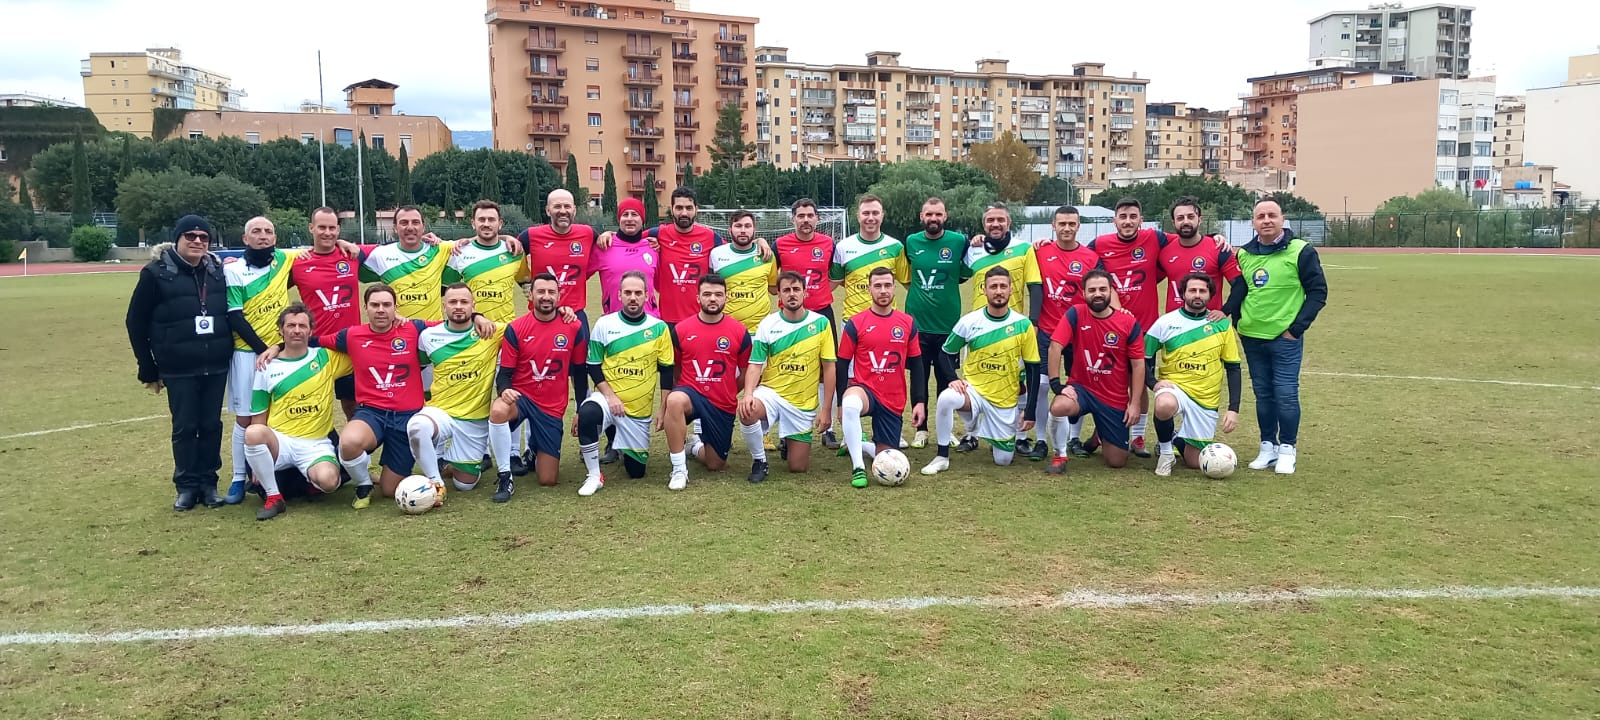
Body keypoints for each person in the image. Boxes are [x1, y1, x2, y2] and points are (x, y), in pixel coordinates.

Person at [125, 215, 240, 510]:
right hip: (178, 366)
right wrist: (147, 367)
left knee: (211, 426)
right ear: (177, 238)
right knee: (185, 427)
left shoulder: (217, 271)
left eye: (204, 237)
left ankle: (208, 483)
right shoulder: (155, 273)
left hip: (215, 363)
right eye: (191, 235)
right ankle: (187, 486)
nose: (198, 241)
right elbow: (135, 322)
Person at [1221, 198, 1328, 475]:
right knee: (1263, 394)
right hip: (1251, 336)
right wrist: (1229, 315)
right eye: (1260, 216)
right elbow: (1240, 290)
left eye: (1272, 215)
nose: (1266, 220)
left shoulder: (1301, 251)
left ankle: (1287, 449)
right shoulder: (1244, 253)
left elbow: (1318, 293)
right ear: (1253, 223)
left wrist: (1296, 329)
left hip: (1285, 338)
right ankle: (1267, 446)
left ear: (1282, 219)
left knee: (1286, 394)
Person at [921, 266, 1041, 475]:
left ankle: (990, 429)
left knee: (1003, 461)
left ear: (1011, 290)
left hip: (1004, 399)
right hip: (974, 392)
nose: (999, 291)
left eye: (1003, 286)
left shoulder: (1022, 325)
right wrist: (952, 378)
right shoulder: (970, 321)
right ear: (984, 290)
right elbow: (945, 353)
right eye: (993, 286)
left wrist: (1029, 410)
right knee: (947, 398)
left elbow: (1033, 369)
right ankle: (942, 456)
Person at [243, 303, 351, 520]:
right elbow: (259, 417)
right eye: (290, 325)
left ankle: (309, 481)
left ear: (311, 331)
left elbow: (363, 349)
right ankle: (274, 498)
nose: (296, 330)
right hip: (280, 441)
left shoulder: (325, 357)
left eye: (302, 326)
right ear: (281, 330)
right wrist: (256, 461)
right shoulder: (266, 365)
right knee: (253, 433)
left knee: (330, 482)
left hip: (315, 443)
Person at [488, 274, 590, 499]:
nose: (546, 297)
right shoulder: (516, 328)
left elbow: (580, 373)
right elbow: (504, 374)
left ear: (559, 296)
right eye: (541, 292)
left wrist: (581, 409)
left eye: (551, 292)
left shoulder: (573, 326)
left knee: (548, 480)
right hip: (522, 398)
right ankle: (505, 477)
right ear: (530, 295)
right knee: (498, 410)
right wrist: (504, 390)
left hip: (551, 406)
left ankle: (533, 448)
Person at [575, 272, 676, 495]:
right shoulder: (604, 323)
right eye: (628, 292)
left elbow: (667, 371)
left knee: (636, 472)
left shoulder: (659, 328)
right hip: (609, 399)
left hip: (638, 410)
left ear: (647, 296)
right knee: (588, 413)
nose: (633, 297)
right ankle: (594, 475)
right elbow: (593, 365)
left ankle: (621, 445)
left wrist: (663, 408)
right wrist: (610, 397)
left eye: (638, 293)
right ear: (619, 295)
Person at [222, 217, 297, 503]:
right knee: (245, 419)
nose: (263, 236)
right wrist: (264, 348)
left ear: (275, 237)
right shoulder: (235, 271)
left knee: (274, 415)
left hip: (277, 352)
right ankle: (239, 478)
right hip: (247, 354)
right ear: (245, 238)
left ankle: (267, 473)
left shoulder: (283, 259)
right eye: (256, 231)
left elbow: (317, 249)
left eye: (268, 231)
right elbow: (235, 317)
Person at [408, 284, 506, 494]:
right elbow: (422, 368)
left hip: (474, 419)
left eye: (464, 302)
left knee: (465, 485)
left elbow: (528, 325)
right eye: (453, 302)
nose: (458, 307)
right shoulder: (428, 336)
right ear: (444, 306)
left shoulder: (491, 332)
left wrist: (564, 310)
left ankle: (449, 460)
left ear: (474, 306)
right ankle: (436, 483)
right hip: (441, 412)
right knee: (417, 426)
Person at [962, 204, 1043, 457]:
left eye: (1000, 220)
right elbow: (957, 275)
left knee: (1019, 384)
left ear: (1009, 222)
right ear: (984, 224)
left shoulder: (1024, 249)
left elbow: (1035, 287)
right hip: (977, 330)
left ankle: (1020, 436)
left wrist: (1034, 322)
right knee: (973, 383)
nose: (995, 224)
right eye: (990, 221)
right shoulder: (973, 251)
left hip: (1012, 329)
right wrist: (970, 243)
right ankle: (971, 433)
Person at [661, 274, 759, 484]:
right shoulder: (681, 329)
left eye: (718, 295)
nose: (712, 299)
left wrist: (729, 390)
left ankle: (694, 447)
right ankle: (679, 470)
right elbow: (676, 369)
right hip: (690, 394)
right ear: (697, 298)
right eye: (707, 294)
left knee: (715, 464)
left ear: (726, 298)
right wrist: (680, 391)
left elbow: (746, 371)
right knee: (675, 401)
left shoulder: (739, 331)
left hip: (721, 402)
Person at [1046, 269, 1145, 471]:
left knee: (1117, 461)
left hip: (1113, 398)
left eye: (1102, 289)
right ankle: (1060, 456)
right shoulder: (1075, 313)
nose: (1097, 294)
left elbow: (1138, 365)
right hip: (1081, 388)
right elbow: (1055, 346)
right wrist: (1057, 385)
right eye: (1092, 290)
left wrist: (1134, 404)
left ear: (1111, 292)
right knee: (1058, 407)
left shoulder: (1128, 322)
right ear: (1084, 293)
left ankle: (1100, 434)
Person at [739, 271, 837, 475]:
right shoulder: (768, 323)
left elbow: (829, 367)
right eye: (786, 290)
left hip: (801, 403)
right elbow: (756, 364)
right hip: (771, 393)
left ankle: (788, 439)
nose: (791, 294)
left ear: (805, 293)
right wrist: (748, 393)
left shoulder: (821, 324)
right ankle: (760, 462)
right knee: (747, 411)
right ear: (780, 296)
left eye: (796, 290)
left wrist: (826, 409)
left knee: (797, 467)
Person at [1144, 273, 1242, 476]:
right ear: (1183, 294)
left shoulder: (1222, 325)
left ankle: (1175, 439)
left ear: (1210, 295)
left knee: (1194, 462)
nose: (1197, 295)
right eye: (1192, 290)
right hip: (1175, 388)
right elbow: (1142, 358)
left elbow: (1233, 368)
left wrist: (1233, 409)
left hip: (1206, 397)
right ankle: (1165, 453)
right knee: (1164, 406)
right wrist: (1153, 383)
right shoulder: (1165, 322)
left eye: (1202, 291)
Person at [836, 267, 926, 488]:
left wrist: (920, 402)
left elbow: (917, 365)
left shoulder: (907, 323)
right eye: (877, 286)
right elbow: (842, 364)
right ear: (869, 289)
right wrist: (839, 403)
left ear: (894, 288)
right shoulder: (856, 323)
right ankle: (858, 467)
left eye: (887, 285)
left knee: (885, 457)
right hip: (865, 389)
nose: (883, 290)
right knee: (850, 404)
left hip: (892, 399)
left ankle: (859, 443)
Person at [1032, 206, 1100, 459]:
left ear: (1079, 226)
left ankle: (1074, 438)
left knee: (1077, 385)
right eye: (1062, 223)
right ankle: (1040, 440)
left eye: (1072, 223)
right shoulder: (1040, 251)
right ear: (1053, 225)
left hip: (1079, 333)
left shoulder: (1090, 257)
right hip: (1047, 330)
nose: (1067, 228)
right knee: (1040, 386)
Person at [289, 207, 369, 421]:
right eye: (322, 227)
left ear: (338, 230)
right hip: (315, 345)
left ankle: (355, 453)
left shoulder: (351, 254)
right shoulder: (297, 262)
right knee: (313, 404)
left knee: (352, 406)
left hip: (348, 345)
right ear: (311, 228)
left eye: (332, 228)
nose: (327, 233)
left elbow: (394, 251)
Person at [902, 197, 969, 449]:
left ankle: (945, 429)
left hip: (948, 326)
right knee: (919, 378)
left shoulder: (958, 241)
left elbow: (967, 269)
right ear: (921, 217)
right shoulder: (911, 242)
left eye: (938, 214)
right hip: (917, 325)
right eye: (929, 214)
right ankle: (921, 429)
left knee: (946, 380)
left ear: (945, 216)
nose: (933, 219)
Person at [520, 189, 598, 329]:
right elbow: (504, 250)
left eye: (567, 206)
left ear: (574, 210)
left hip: (576, 315)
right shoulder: (531, 236)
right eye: (557, 206)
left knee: (583, 351)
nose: (563, 211)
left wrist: (609, 234)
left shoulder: (587, 233)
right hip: (542, 314)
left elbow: (618, 243)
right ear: (548, 210)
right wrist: (524, 282)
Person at [362, 205, 452, 322]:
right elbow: (346, 255)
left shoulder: (440, 249)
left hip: (432, 332)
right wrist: (342, 243)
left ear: (423, 227)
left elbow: (473, 243)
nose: (410, 227)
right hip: (399, 332)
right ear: (395, 227)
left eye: (415, 222)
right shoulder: (380, 254)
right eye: (404, 223)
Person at [445, 200, 527, 324]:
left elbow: (527, 284)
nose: (486, 224)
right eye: (481, 219)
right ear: (473, 223)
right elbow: (443, 289)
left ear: (500, 224)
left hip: (504, 329)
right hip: (472, 329)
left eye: (491, 220)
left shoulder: (515, 251)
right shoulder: (459, 252)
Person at [650, 187, 723, 324]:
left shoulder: (711, 237)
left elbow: (736, 250)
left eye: (689, 208)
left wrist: (759, 242)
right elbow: (627, 239)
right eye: (679, 208)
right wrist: (608, 235)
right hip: (667, 320)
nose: (684, 213)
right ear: (672, 209)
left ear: (696, 209)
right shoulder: (658, 234)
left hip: (701, 319)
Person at [1162, 197, 1241, 314]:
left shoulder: (1219, 248)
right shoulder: (1165, 251)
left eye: (1190, 217)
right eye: (1180, 218)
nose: (1186, 222)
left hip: (1208, 324)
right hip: (1175, 326)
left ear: (1200, 220)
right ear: (1174, 223)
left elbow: (1239, 284)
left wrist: (1224, 311)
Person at [708, 209, 777, 332]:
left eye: (748, 226)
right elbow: (710, 287)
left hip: (760, 330)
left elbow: (773, 289)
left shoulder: (767, 255)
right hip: (726, 328)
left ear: (754, 230)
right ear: (730, 230)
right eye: (738, 226)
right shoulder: (716, 254)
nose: (743, 230)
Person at [591, 197, 660, 318]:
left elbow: (662, 284)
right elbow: (578, 276)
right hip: (614, 321)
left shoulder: (653, 247)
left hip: (649, 321)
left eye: (634, 214)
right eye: (625, 214)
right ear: (619, 219)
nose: (629, 219)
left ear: (642, 219)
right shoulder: (604, 246)